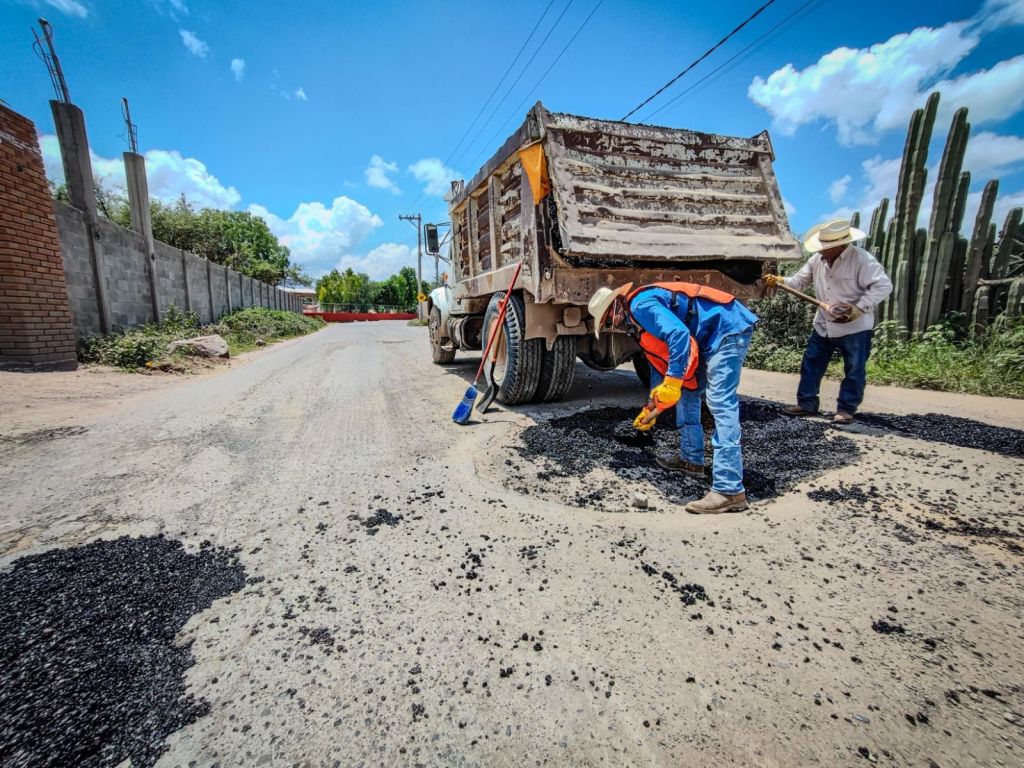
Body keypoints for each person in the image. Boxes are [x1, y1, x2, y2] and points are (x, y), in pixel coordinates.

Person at [588, 281, 758, 514]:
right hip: (707, 336)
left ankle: (729, 490)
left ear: (615, 307)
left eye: (609, 320)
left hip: (725, 329)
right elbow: (663, 363)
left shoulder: (639, 305)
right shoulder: (637, 322)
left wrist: (673, 381)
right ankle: (691, 460)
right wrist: (652, 406)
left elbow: (678, 335)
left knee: (720, 402)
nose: (612, 326)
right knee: (687, 390)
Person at [764, 218, 893, 424]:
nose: (821, 250)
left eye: (825, 247)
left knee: (854, 368)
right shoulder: (817, 260)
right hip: (824, 323)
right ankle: (806, 404)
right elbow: (798, 281)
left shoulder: (862, 260)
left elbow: (883, 286)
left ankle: (846, 409)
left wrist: (858, 309)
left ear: (840, 245)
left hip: (855, 327)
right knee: (811, 363)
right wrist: (780, 281)